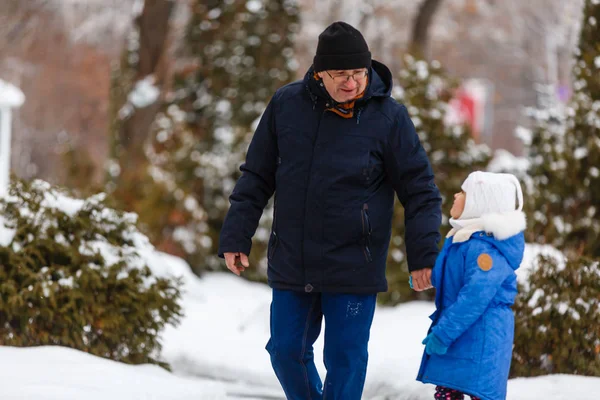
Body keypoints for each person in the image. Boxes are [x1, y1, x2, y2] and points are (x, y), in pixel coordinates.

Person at [219, 21, 442, 399]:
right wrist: (236, 234)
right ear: (319, 72)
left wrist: (424, 256)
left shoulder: (389, 118)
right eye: (340, 74)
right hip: (294, 258)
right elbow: (257, 176)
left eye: (358, 73)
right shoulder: (285, 105)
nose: (351, 83)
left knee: (345, 360)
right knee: (286, 351)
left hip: (355, 263)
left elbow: (421, 191)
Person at [416, 171, 526, 400]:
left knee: (475, 393)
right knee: (448, 390)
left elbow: (474, 297)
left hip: (481, 340)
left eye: (464, 192)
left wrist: (443, 334)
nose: (456, 195)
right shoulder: (464, 238)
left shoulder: (484, 250)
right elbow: (453, 275)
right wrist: (428, 277)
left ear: (480, 203)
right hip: (462, 333)